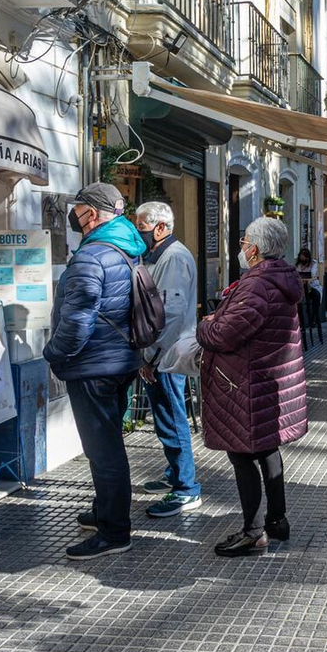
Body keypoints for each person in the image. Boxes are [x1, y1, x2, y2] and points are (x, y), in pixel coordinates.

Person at [44, 182, 147, 560]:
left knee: (103, 452)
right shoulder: (127, 249)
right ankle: (106, 512)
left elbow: (77, 321)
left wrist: (53, 353)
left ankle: (114, 531)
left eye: (78, 208)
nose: (74, 215)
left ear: (91, 214)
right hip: (120, 361)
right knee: (109, 446)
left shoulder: (91, 257)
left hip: (93, 366)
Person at [197, 217, 307, 555]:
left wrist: (206, 326)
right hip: (265, 378)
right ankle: (276, 521)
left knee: (243, 453)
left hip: (246, 382)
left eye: (244, 241)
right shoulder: (278, 279)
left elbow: (226, 333)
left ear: (255, 249)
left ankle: (253, 531)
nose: (241, 247)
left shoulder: (257, 284)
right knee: (266, 448)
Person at [134, 201, 201, 518]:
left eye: (142, 227)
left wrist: (151, 354)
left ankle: (186, 489)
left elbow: (170, 314)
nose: (139, 232)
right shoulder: (160, 256)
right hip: (162, 353)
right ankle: (176, 475)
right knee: (166, 418)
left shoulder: (173, 258)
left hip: (168, 355)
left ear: (161, 227)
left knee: (172, 419)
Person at [296, 247, 323, 326]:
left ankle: (314, 319)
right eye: (301, 256)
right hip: (301, 287)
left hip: (312, 286)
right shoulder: (298, 264)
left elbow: (312, 274)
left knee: (316, 297)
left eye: (304, 256)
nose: (303, 258)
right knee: (299, 301)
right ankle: (301, 321)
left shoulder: (313, 263)